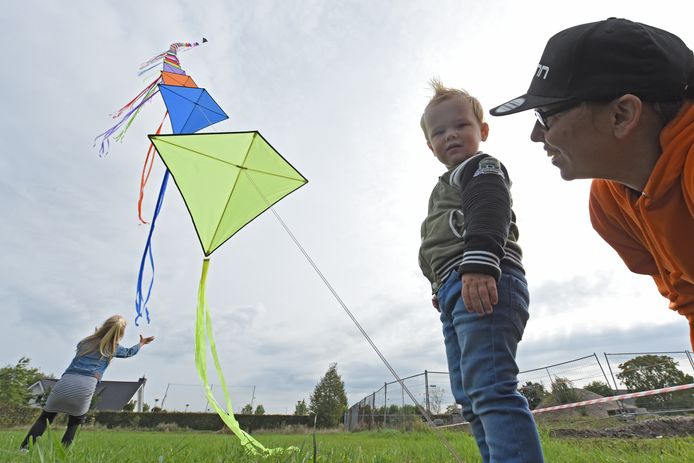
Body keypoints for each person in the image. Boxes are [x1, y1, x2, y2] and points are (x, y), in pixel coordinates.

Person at [489, 17, 694, 348]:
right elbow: (689, 300)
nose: (534, 135)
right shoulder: (608, 203)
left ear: (622, 115)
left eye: (544, 116)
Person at [419, 79, 544, 462]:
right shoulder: (444, 185)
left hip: (487, 276)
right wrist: (440, 288)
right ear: (429, 146)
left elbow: (490, 209)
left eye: (460, 126)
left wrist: (479, 264)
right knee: (470, 395)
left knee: (490, 387)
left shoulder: (481, 168)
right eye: (439, 132)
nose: (451, 136)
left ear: (482, 131)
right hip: (457, 287)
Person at [21, 315, 154, 449]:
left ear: (104, 326)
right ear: (120, 333)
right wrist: (141, 343)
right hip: (86, 385)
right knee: (75, 422)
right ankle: (63, 454)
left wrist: (96, 334)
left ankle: (24, 449)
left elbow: (91, 345)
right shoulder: (113, 347)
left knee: (45, 418)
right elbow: (129, 352)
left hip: (66, 381)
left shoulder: (84, 342)